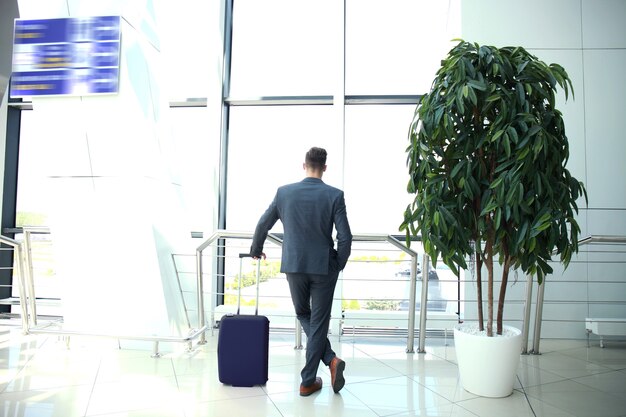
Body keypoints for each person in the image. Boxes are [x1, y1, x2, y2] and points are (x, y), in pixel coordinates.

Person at [250, 147, 352, 396]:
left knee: (303, 313)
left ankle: (318, 372)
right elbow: (345, 236)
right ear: (325, 167)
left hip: (294, 265)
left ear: (303, 165)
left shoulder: (284, 193)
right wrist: (338, 263)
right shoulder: (335, 195)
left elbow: (263, 222)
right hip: (323, 266)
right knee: (318, 321)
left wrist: (256, 248)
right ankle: (321, 368)